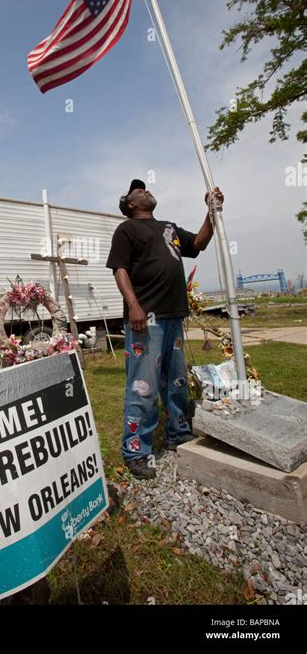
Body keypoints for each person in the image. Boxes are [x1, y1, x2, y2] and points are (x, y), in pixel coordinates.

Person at [106, 178, 224, 479]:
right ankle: (136, 450)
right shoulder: (127, 229)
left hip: (174, 316)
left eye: (145, 187)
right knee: (142, 387)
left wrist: (211, 212)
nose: (145, 190)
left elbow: (198, 244)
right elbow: (120, 269)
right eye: (138, 190)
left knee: (176, 382)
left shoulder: (168, 227)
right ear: (130, 204)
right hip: (147, 318)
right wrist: (134, 307)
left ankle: (178, 435)